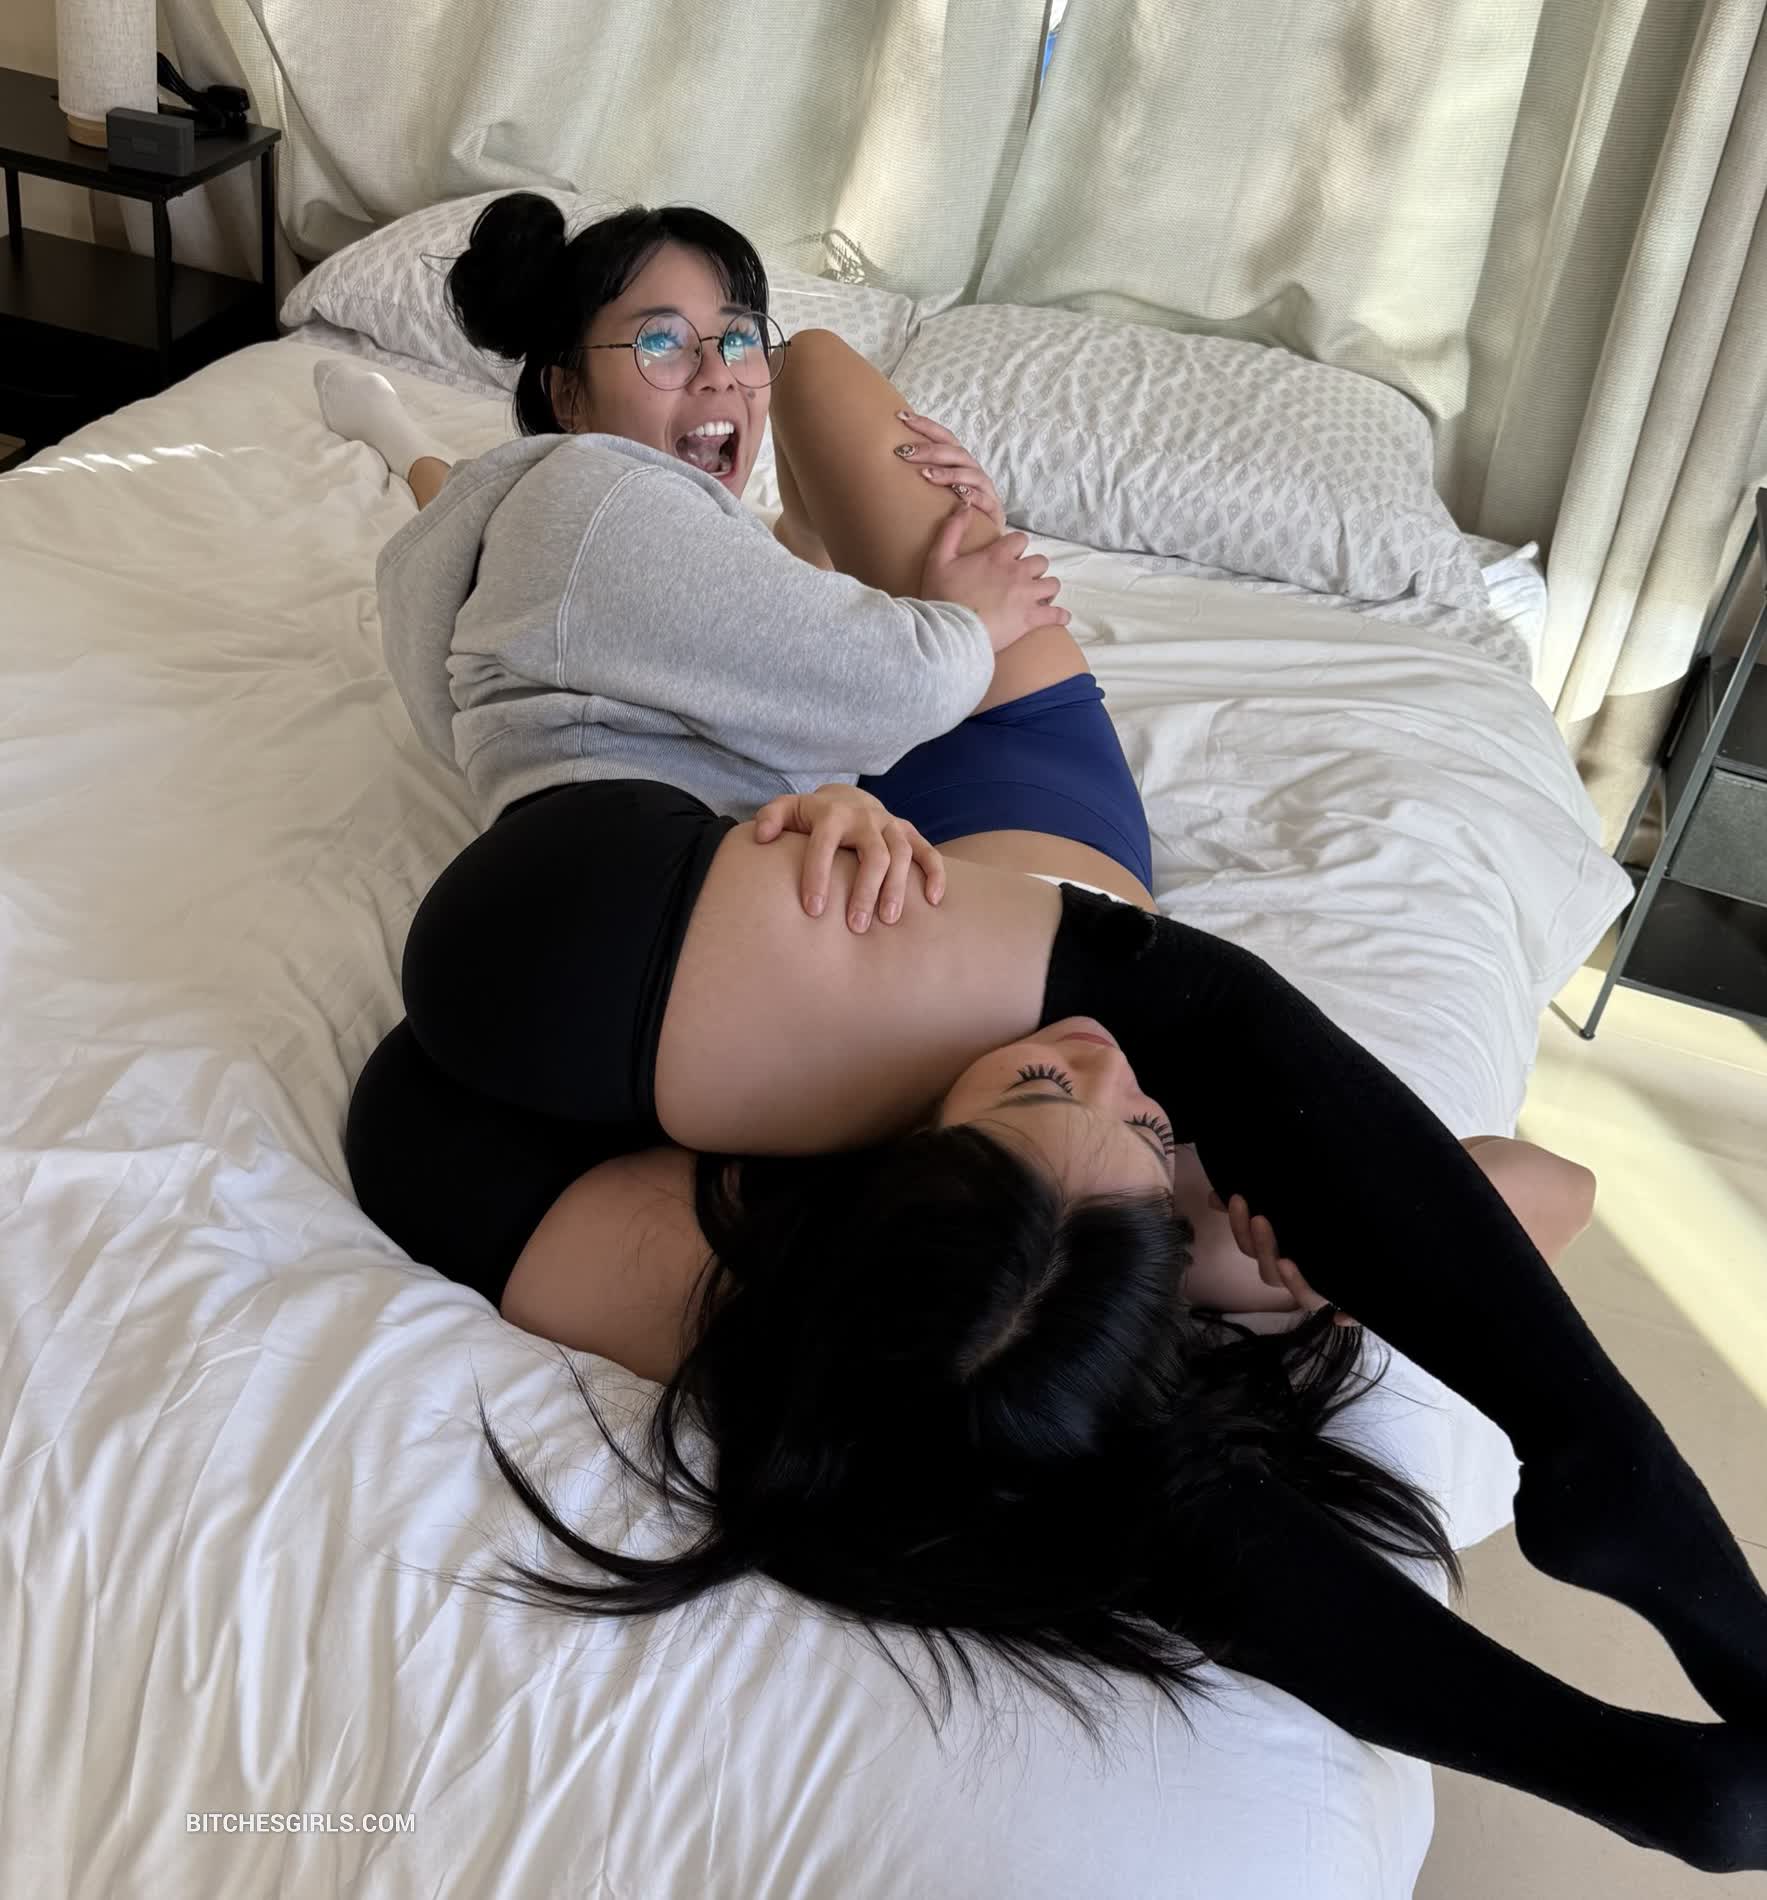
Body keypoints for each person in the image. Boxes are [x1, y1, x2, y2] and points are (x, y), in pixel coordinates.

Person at [333, 199, 1767, 1872]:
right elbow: (1542, 1186)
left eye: (1034, 1078)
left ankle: (1618, 1592)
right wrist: (1302, 1265)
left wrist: (778, 756)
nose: (1093, 1052)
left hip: (727, 875)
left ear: (911, 1175)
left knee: (803, 403)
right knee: (1178, 977)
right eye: (1145, 1115)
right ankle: (1621, 1513)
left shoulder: (895, 1264)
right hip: (994, 770)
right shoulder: (1156, 1242)